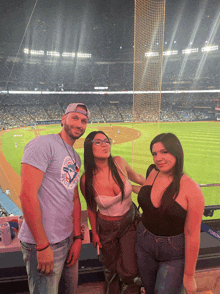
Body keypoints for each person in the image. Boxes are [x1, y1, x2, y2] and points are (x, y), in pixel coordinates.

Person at [18, 103, 90, 294]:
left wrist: (76, 238)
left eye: (84, 121)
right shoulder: (44, 144)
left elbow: (74, 198)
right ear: (63, 118)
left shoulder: (75, 157)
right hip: (43, 243)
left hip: (66, 239)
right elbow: (26, 195)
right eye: (74, 117)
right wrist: (42, 245)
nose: (79, 124)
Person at [134, 133, 205, 294]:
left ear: (177, 152)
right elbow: (148, 194)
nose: (158, 158)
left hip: (173, 253)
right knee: (150, 290)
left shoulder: (191, 189)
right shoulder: (153, 172)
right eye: (154, 153)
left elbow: (192, 233)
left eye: (164, 152)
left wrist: (189, 275)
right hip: (143, 244)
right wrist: (126, 188)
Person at [80, 131, 146, 294]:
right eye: (98, 142)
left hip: (129, 222)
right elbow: (91, 209)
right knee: (110, 269)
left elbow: (138, 177)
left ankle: (130, 290)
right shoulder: (86, 179)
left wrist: (161, 186)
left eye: (106, 141)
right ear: (89, 147)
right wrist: (94, 233)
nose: (105, 144)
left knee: (130, 268)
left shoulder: (119, 162)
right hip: (106, 228)